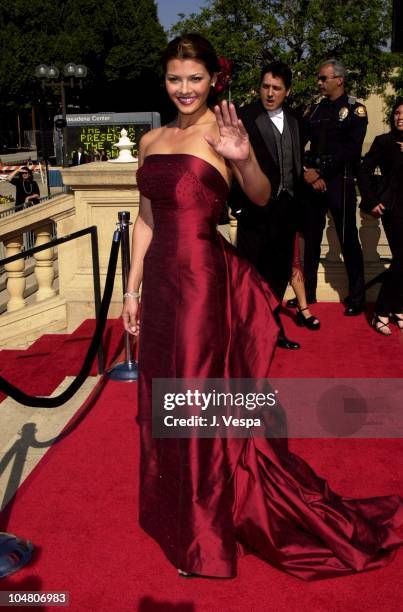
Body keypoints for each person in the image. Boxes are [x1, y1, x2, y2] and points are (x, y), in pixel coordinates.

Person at [122, 34, 402, 580]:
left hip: (203, 282)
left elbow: (258, 194)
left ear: (213, 80)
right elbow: (147, 219)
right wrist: (131, 292)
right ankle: (175, 508)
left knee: (196, 397)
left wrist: (245, 159)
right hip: (157, 285)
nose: (184, 89)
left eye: (195, 79)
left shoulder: (227, 132)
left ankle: (203, 531)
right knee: (164, 396)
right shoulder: (153, 137)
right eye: (175, 78)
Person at [228, 62, 303, 349]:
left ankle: (273, 328)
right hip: (254, 212)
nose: (270, 93)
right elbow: (231, 164)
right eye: (265, 86)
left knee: (279, 272)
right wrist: (238, 207)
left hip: (286, 212)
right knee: (251, 275)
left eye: (276, 88)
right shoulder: (244, 118)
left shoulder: (297, 120)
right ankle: (248, 332)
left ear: (288, 91)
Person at [303, 59, 367, 315]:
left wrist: (321, 173)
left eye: (323, 78)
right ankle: (307, 294)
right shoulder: (315, 109)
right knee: (310, 239)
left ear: (339, 80)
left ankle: (357, 298)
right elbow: (300, 141)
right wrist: (307, 172)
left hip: (339, 183)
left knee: (348, 239)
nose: (319, 83)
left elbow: (351, 150)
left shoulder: (355, 110)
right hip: (312, 183)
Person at [358, 97, 403, 335]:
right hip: (393, 208)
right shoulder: (384, 142)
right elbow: (363, 171)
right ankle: (381, 311)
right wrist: (372, 201)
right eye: (396, 113)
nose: (400, 117)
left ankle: (397, 307)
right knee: (401, 259)